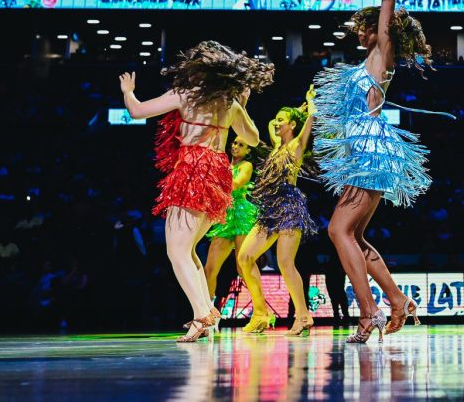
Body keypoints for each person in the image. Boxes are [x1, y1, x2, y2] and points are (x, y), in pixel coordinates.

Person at [313, 0, 453, 344]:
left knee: (337, 230)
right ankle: (397, 299)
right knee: (351, 235)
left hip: (370, 151)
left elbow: (387, 2)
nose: (359, 31)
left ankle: (369, 312)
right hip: (366, 151)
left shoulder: (382, 53)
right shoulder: (370, 59)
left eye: (365, 27)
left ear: (380, 31)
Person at [119, 40, 273, 342]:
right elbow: (253, 139)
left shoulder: (185, 95)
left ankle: (202, 315)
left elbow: (137, 112)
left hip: (192, 168)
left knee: (176, 251)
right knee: (187, 250)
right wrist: (242, 105)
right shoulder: (229, 104)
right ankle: (205, 313)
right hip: (217, 171)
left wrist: (128, 92)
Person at [238, 90, 320, 336]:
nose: (276, 122)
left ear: (292, 125)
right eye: (275, 119)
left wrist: (310, 105)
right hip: (269, 210)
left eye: (281, 120)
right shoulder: (276, 147)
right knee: (244, 258)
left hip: (288, 207)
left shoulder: (295, 145)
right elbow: (270, 124)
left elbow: (309, 122)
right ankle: (262, 313)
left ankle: (303, 315)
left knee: (285, 263)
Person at [202, 137, 260, 307]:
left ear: (248, 150)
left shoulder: (246, 166)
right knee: (210, 269)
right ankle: (207, 312)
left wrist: (217, 173)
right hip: (224, 216)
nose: (235, 146)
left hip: (241, 215)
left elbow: (236, 184)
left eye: (241, 144)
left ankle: (260, 310)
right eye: (234, 143)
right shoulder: (225, 164)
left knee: (242, 268)